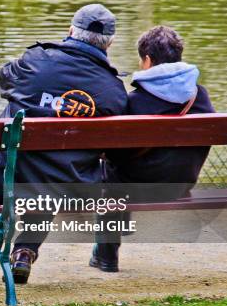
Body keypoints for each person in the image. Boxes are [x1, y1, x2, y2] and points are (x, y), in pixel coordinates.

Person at [0, 4, 128, 283]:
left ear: (70, 31)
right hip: (68, 187)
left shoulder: (35, 62)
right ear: (109, 42)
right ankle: (24, 252)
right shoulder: (112, 89)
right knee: (47, 180)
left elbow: (5, 80)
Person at [91, 25, 215, 272]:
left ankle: (106, 256)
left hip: (136, 188)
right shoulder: (200, 96)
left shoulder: (134, 101)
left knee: (110, 175)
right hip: (181, 183)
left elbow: (115, 152)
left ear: (147, 60)